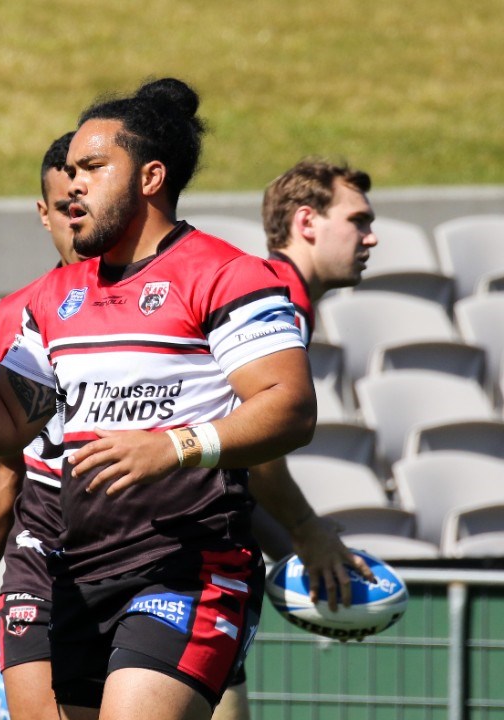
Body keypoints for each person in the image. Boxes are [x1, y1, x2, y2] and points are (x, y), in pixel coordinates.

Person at [0, 78, 317, 720]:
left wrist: (175, 448)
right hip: (71, 570)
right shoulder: (50, 299)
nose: (74, 186)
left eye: (93, 167)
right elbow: (9, 424)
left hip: (184, 565)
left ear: (150, 177)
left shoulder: (225, 274)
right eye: (69, 172)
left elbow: (290, 404)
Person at [212, 158, 381, 720]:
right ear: (306, 222)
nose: (371, 236)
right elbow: (253, 455)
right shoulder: (276, 300)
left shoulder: (275, 296)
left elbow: (228, 468)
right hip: (183, 563)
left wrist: (299, 553)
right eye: (358, 220)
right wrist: (308, 534)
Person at [0, 130, 80, 720]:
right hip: (42, 550)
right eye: (64, 209)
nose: (77, 222)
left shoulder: (167, 299)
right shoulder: (17, 315)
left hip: (146, 547)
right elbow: (0, 463)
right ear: (43, 213)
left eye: (87, 205)